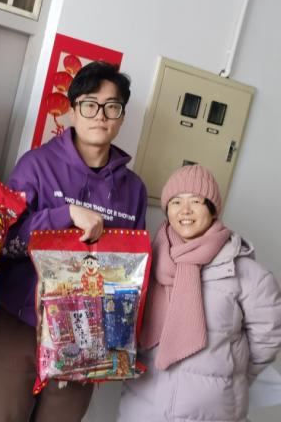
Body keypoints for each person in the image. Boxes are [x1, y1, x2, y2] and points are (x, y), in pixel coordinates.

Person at [0, 61, 147, 422]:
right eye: (89, 104)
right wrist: (64, 215)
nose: (100, 115)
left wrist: (113, 343)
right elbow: (3, 241)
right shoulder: (37, 165)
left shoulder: (133, 190)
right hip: (22, 322)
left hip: (88, 335)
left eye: (112, 107)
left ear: (121, 117)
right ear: (73, 111)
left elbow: (130, 275)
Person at [117, 164, 281, 422]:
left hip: (212, 411)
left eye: (195, 201)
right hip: (144, 407)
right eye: (176, 202)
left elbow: (267, 339)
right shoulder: (145, 263)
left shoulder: (247, 274)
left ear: (213, 210)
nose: (185, 210)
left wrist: (233, 376)